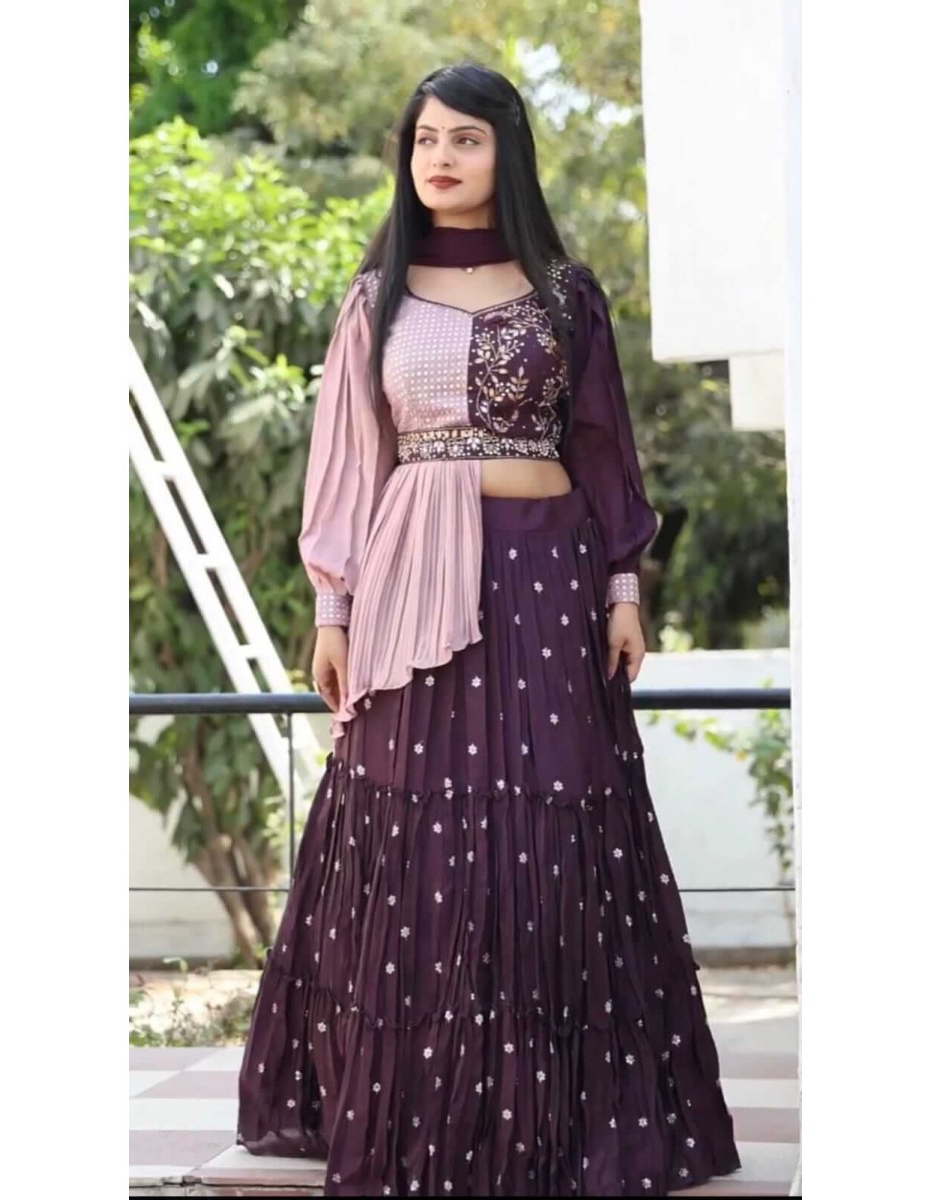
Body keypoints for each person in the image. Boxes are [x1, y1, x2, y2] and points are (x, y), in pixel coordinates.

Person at [236, 62, 741, 1197]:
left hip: (551, 580)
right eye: (425, 140)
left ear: (507, 151)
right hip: (412, 586)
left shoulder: (565, 292)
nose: (441, 158)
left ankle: (568, 1125)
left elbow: (603, 448)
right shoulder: (376, 298)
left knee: (557, 819)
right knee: (413, 829)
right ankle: (420, 1120)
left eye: (465, 138)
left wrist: (624, 589)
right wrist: (332, 610)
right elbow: (347, 461)